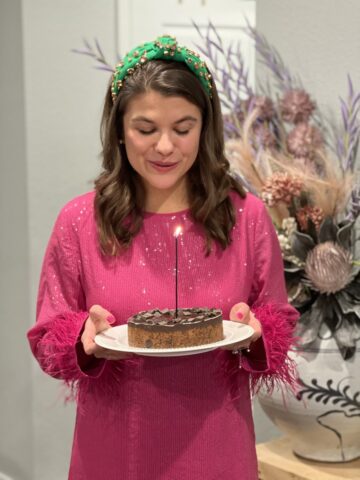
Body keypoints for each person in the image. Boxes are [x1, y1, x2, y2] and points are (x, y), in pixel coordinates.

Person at [27, 35, 299, 480]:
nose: (166, 147)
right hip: (116, 451)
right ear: (119, 128)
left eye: (183, 128)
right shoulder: (79, 220)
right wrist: (84, 341)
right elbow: (45, 338)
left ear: (206, 127)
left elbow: (281, 321)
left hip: (217, 447)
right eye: (146, 129)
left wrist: (257, 332)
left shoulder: (245, 216)